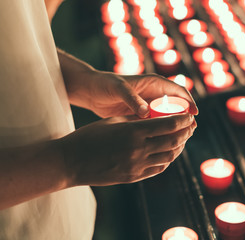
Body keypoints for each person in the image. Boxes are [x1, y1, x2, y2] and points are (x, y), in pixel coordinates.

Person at [0, 0, 198, 239]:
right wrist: (69, 161)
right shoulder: (70, 162)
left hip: (65, 212)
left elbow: (20, 33)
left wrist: (87, 83)